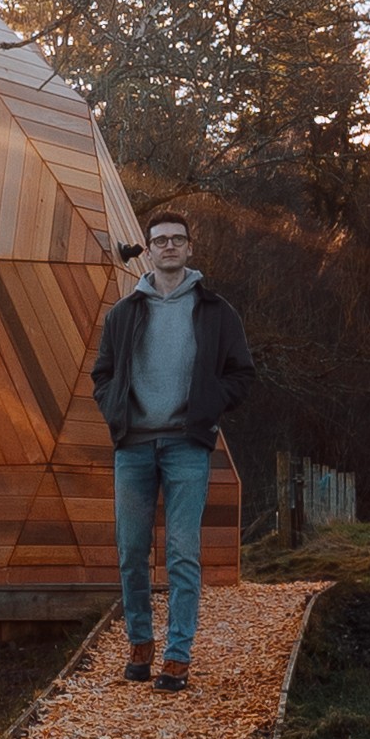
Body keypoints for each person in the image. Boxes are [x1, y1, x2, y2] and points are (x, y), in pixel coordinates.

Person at [89, 209, 253, 690]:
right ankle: (140, 643)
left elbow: (241, 374)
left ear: (188, 248)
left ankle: (177, 654)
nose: (169, 247)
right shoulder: (123, 313)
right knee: (131, 550)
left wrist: (207, 407)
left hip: (187, 444)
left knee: (182, 551)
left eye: (177, 239)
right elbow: (102, 375)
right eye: (159, 240)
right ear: (148, 247)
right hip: (133, 446)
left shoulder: (216, 312)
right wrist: (114, 410)